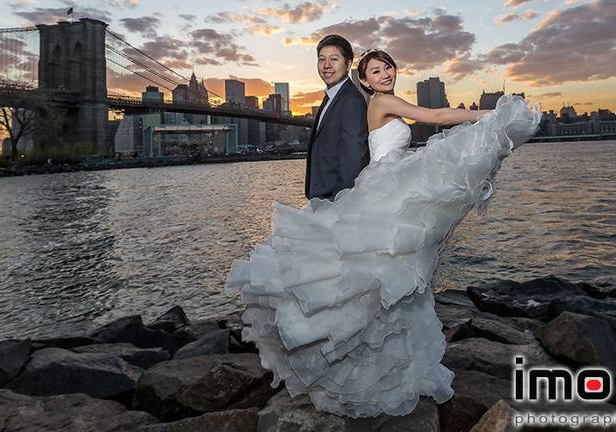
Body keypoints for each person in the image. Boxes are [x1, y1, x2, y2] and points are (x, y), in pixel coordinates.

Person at [225, 48, 541, 418]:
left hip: (390, 184)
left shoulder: (376, 101)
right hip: (386, 188)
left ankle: (383, 361)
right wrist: (489, 114)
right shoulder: (380, 102)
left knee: (388, 279)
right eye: (375, 71)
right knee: (384, 274)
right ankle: (353, 362)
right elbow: (435, 116)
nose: (384, 74)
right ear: (365, 81)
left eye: (387, 67)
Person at [304, 34, 370, 200]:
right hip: (323, 199)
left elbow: (354, 158)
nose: (326, 65)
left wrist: (339, 204)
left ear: (348, 64)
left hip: (335, 203)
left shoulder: (351, 100)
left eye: (334, 59)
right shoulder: (331, 96)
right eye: (321, 59)